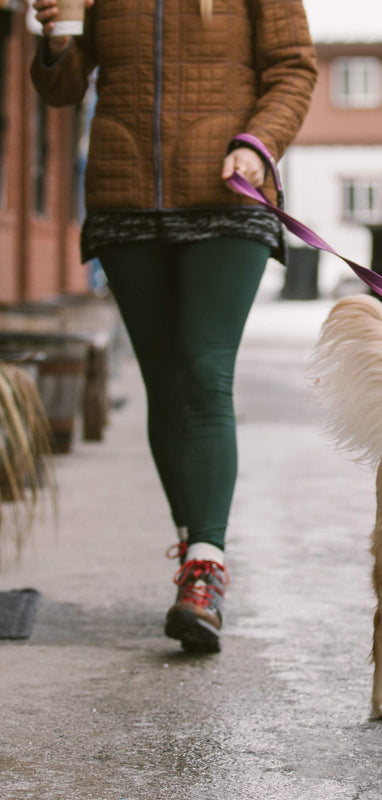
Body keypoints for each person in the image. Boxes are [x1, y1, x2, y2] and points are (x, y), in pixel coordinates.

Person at [31, 0, 318, 653]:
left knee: (203, 369)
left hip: (226, 196)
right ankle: (194, 552)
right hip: (126, 198)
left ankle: (208, 565)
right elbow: (62, 89)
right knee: (165, 382)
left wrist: (258, 142)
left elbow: (294, 69)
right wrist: (61, 31)